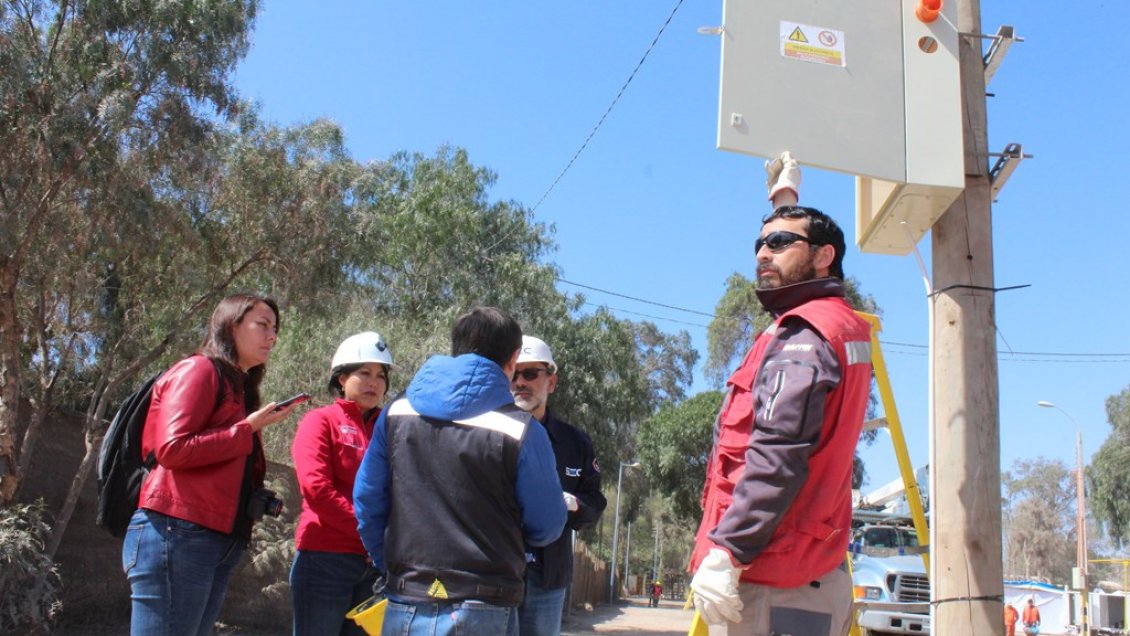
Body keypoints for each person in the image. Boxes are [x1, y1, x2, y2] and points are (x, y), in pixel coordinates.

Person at [687, 153, 873, 636]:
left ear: (824, 255)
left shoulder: (805, 337)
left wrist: (727, 552)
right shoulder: (820, 324)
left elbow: (778, 454)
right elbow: (798, 249)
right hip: (794, 575)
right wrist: (783, 197)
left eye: (779, 243)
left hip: (774, 581)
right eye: (759, 244)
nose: (762, 254)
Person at [353, 307, 568, 636]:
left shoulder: (397, 412)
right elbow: (548, 525)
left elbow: (368, 500)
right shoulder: (522, 430)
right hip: (486, 605)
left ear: (456, 347)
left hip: (405, 599)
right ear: (512, 360)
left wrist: (392, 565)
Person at [122, 294, 302, 636]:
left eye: (275, 328)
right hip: (176, 533)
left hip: (213, 539)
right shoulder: (199, 369)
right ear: (229, 325)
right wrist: (247, 428)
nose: (272, 336)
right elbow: (172, 449)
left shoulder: (239, 389)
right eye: (262, 325)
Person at [290, 332, 396, 635]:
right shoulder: (320, 421)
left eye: (380, 375)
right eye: (364, 373)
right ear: (341, 378)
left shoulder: (389, 430)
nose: (374, 382)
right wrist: (369, 530)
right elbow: (316, 488)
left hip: (375, 566)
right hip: (324, 560)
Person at [511, 336, 607, 636]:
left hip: (547, 577)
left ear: (550, 382)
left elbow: (595, 501)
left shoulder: (575, 442)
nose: (520, 382)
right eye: (513, 373)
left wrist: (573, 504)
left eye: (530, 374)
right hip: (495, 572)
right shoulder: (484, 433)